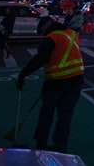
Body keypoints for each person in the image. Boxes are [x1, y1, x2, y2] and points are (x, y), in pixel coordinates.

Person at [15, 19, 84, 152]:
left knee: (47, 113)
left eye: (42, 31)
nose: (42, 35)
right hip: (76, 79)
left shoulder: (52, 38)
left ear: (46, 27)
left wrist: (22, 74)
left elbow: (40, 59)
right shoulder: (72, 34)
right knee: (65, 114)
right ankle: (60, 145)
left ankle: (41, 142)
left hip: (56, 81)